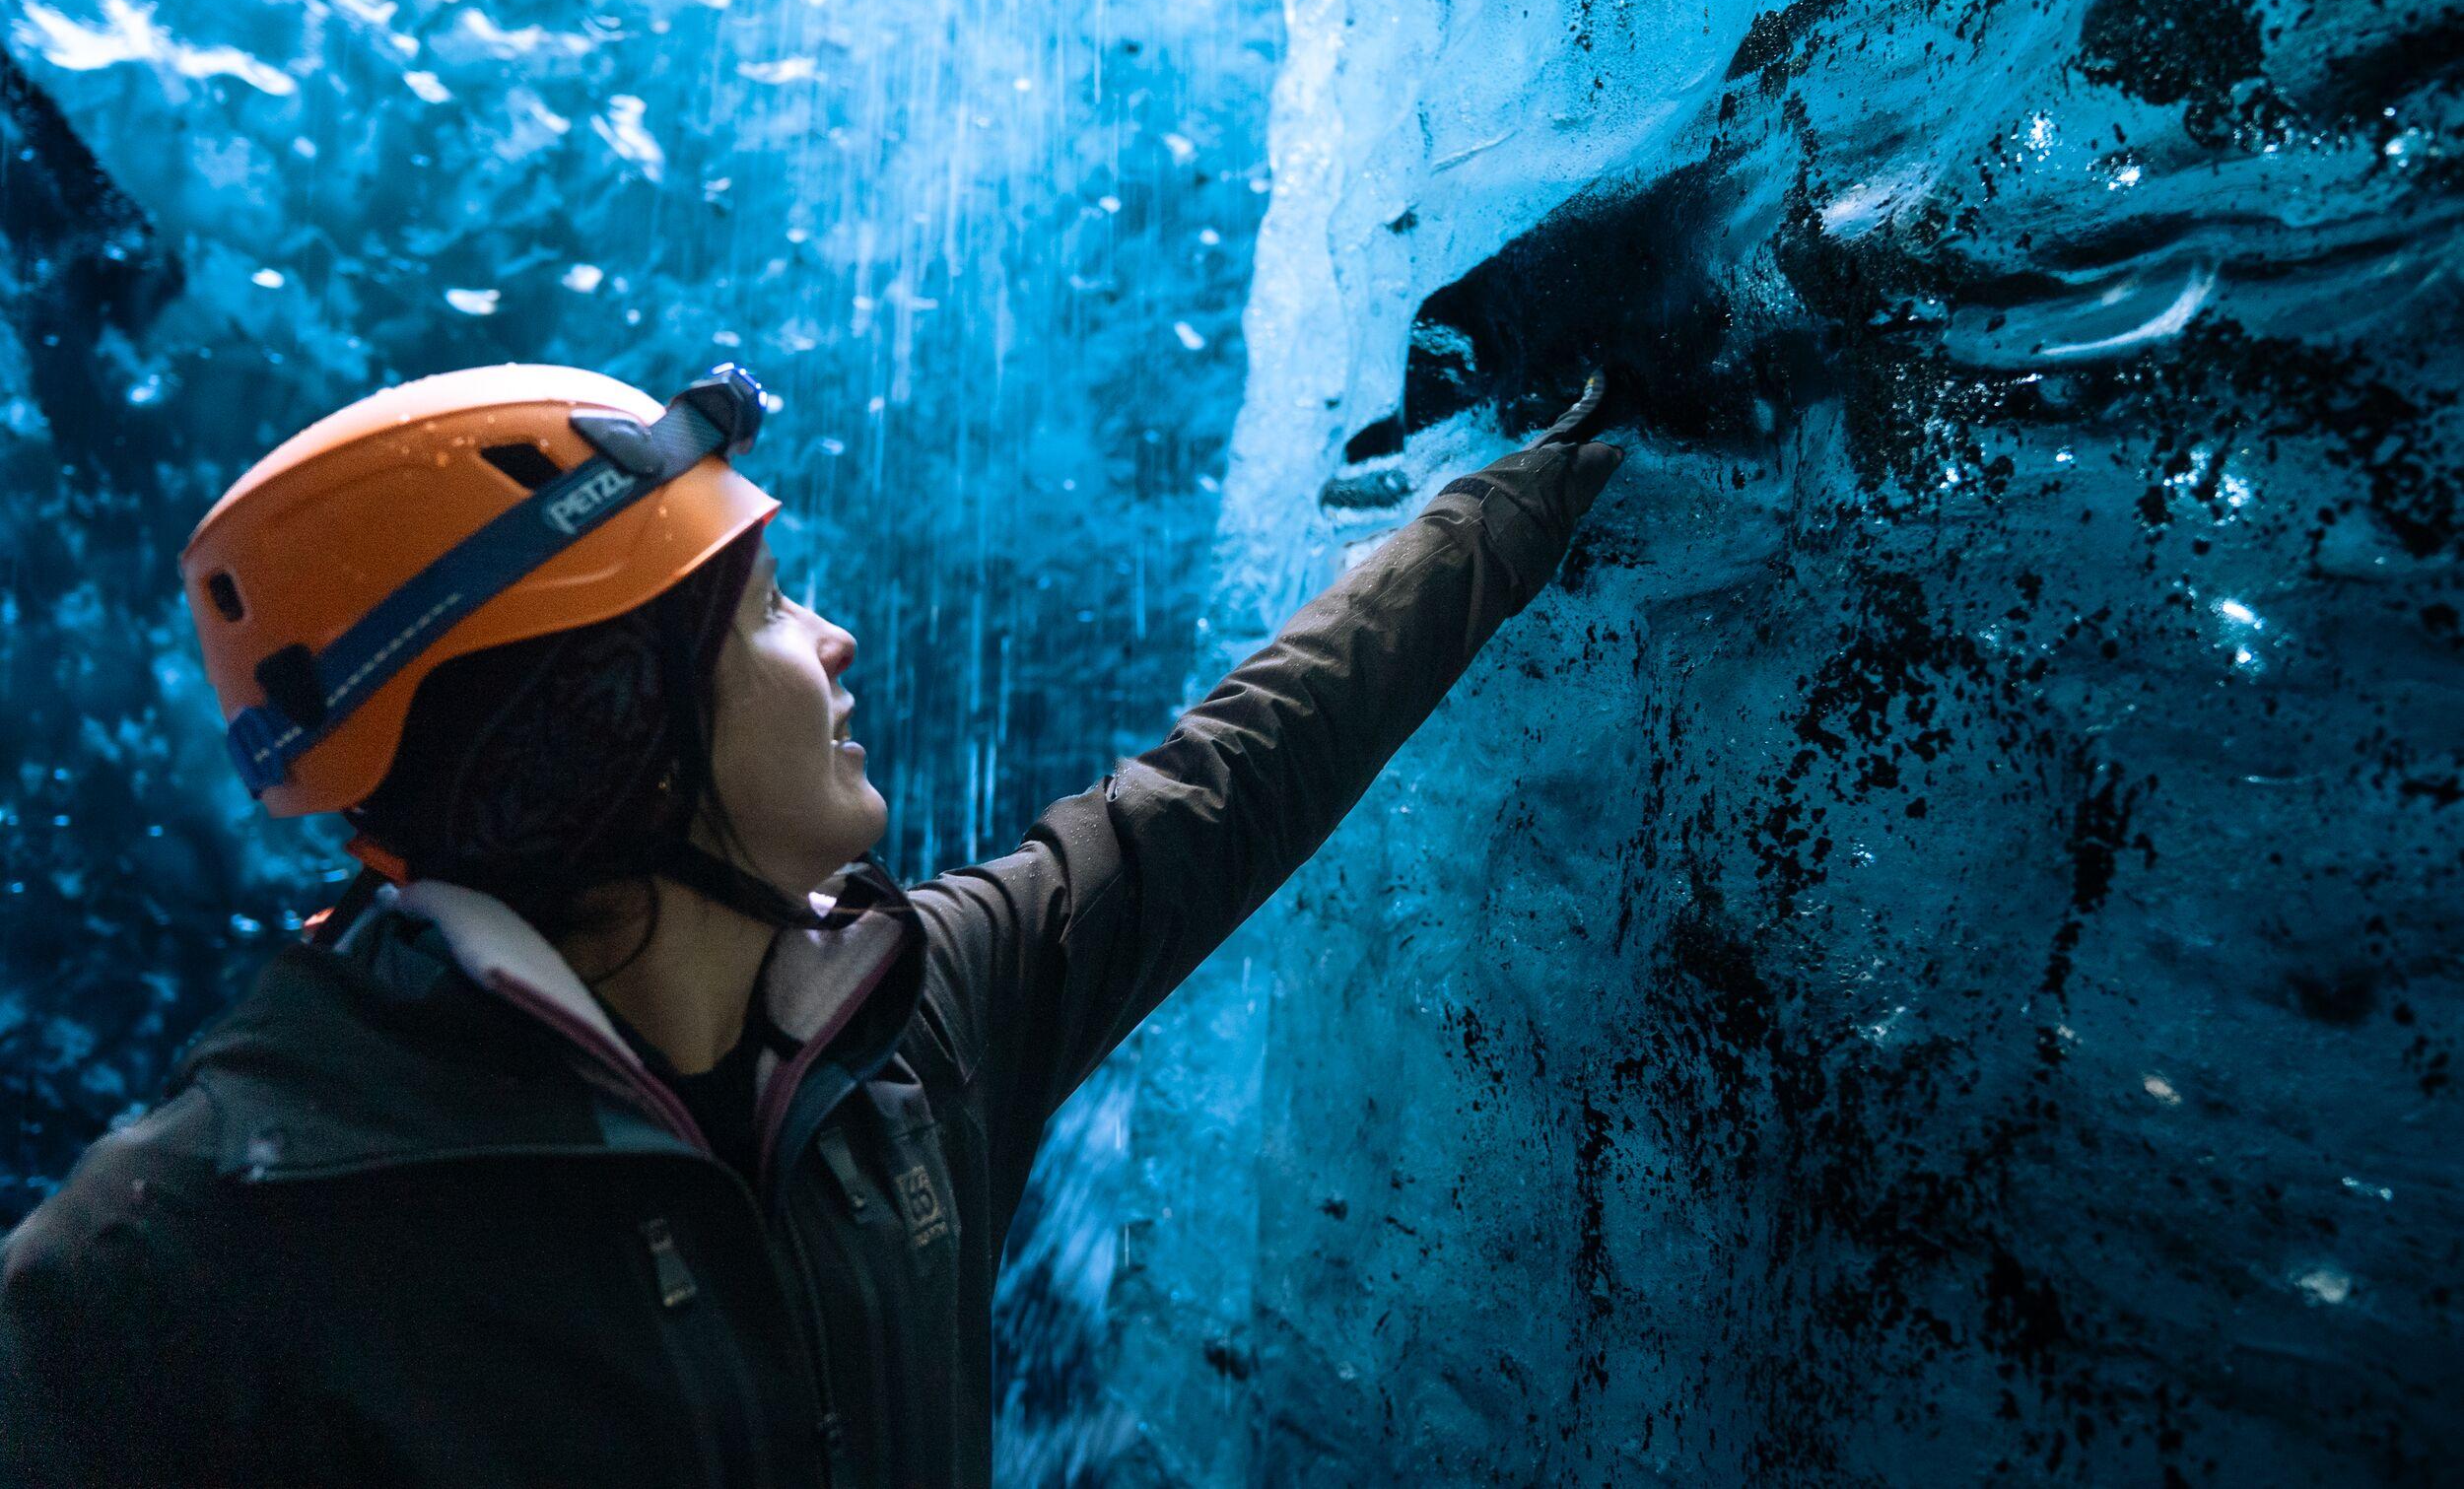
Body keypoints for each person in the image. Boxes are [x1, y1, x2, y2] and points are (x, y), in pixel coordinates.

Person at [0, 360, 1621, 1487]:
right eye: (770, 605)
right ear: (600, 721)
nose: (835, 641)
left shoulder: (905, 1035)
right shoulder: (188, 1251)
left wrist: (1516, 504)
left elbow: (1224, 786)